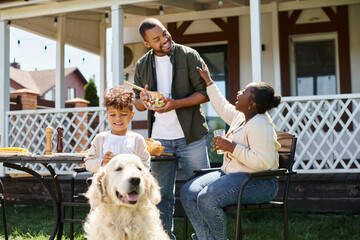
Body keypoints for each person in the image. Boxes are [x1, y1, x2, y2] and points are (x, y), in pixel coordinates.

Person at [180, 62, 281, 240]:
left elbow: (263, 163)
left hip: (260, 182)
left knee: (206, 198)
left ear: (252, 104)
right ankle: (205, 238)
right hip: (232, 174)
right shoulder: (240, 116)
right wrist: (209, 81)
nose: (238, 93)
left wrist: (232, 147)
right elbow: (221, 106)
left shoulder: (260, 125)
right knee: (188, 192)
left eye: (243, 92)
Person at [133, 18, 211, 239]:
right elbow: (137, 104)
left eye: (165, 33)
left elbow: (204, 93)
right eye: (157, 39)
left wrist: (175, 103)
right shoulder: (142, 65)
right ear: (147, 44)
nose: (165, 39)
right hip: (159, 141)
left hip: (191, 136)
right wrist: (143, 102)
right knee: (160, 195)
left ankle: (206, 237)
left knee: (200, 192)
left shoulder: (188, 55)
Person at [84, 86, 150, 173]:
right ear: (107, 115)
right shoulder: (100, 139)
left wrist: (132, 166)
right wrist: (102, 162)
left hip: (129, 185)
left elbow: (145, 165)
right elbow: (88, 163)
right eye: (112, 115)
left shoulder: (137, 140)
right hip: (106, 185)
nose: (118, 119)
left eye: (123, 114)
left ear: (131, 115)